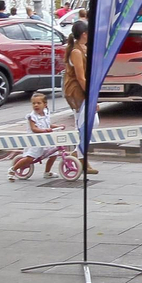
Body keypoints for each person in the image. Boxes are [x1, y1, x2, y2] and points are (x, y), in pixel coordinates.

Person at [62, 19, 99, 175]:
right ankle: (79, 157)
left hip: (81, 90)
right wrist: (91, 97)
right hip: (77, 91)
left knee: (90, 123)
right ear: (84, 34)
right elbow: (80, 77)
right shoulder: (76, 52)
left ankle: (80, 156)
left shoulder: (82, 48)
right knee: (85, 124)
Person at [9, 91, 60, 180]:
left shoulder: (46, 113)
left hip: (45, 139)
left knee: (54, 154)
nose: (36, 105)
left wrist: (57, 126)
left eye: (38, 103)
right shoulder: (32, 116)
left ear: (45, 104)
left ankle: (47, 172)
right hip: (35, 140)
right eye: (34, 103)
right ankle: (13, 169)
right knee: (30, 158)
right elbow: (34, 129)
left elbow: (48, 124)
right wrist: (45, 130)